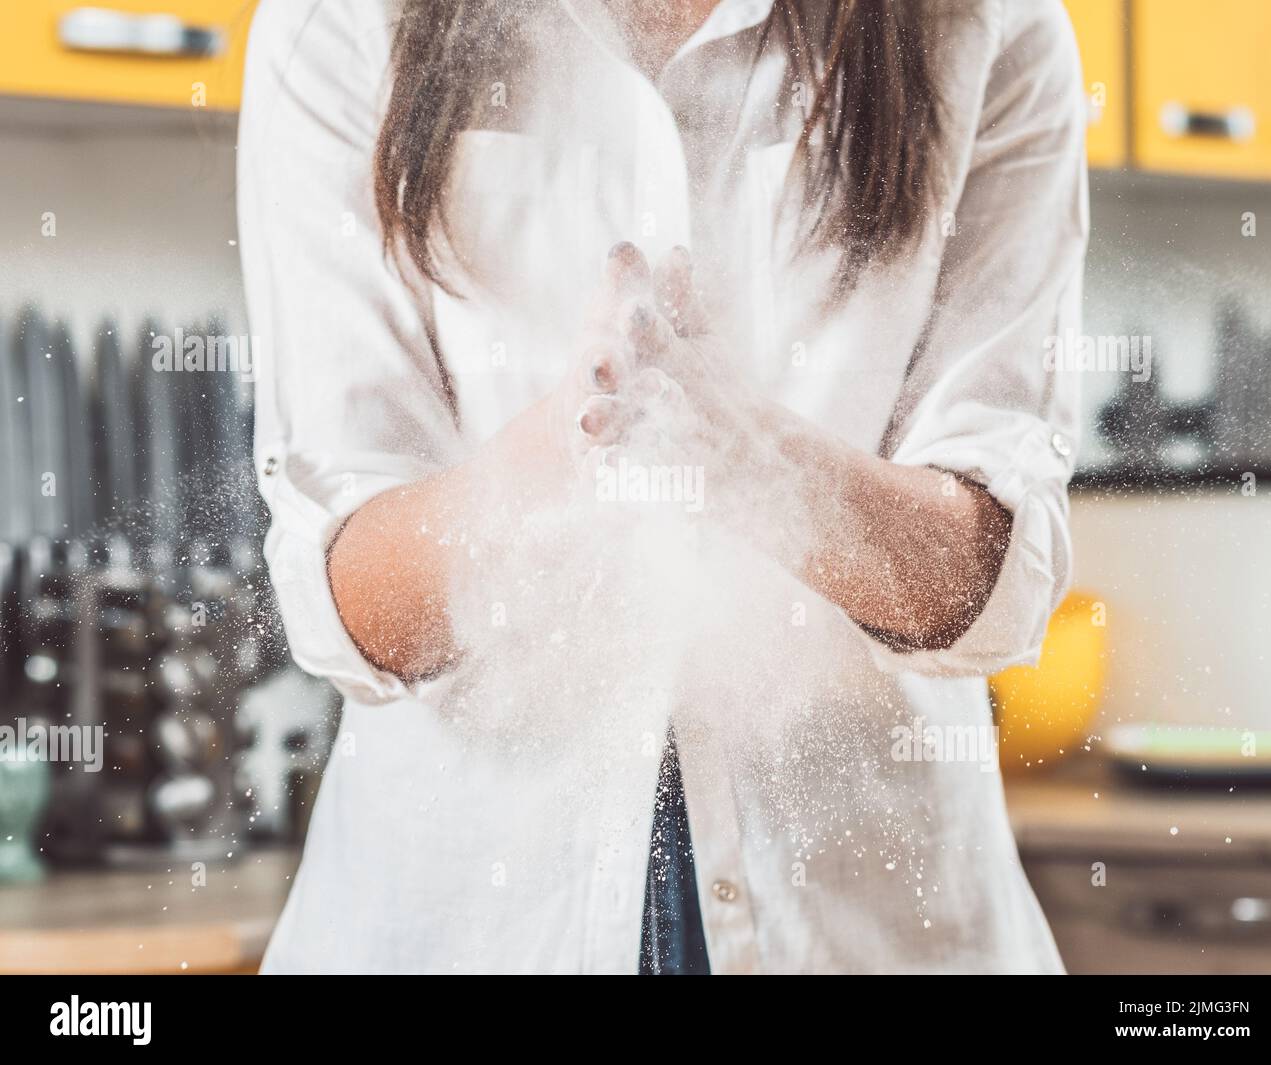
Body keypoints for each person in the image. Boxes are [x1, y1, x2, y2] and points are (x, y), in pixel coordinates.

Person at [238, 0, 1087, 973]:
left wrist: (755, 458)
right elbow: (347, 608)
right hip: (466, 923)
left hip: (868, 929)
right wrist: (577, 439)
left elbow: (986, 586)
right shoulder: (338, 22)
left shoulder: (984, 25)